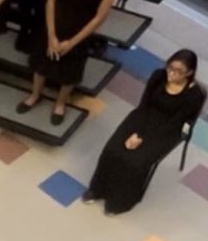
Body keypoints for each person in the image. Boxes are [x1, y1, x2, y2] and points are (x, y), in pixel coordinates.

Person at [84, 50, 206, 216]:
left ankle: (120, 202)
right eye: (170, 67)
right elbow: (144, 105)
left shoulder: (194, 95)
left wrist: (143, 138)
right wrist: (136, 132)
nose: (172, 73)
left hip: (166, 130)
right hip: (143, 118)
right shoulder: (158, 76)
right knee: (113, 150)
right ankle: (97, 190)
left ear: (189, 73)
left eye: (178, 71)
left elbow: (175, 123)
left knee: (135, 161)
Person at [18, 0, 119, 125]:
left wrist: (72, 42)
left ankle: (61, 103)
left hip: (79, 30)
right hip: (54, 23)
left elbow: (99, 17)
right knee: (41, 63)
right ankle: (35, 94)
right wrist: (51, 35)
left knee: (69, 72)